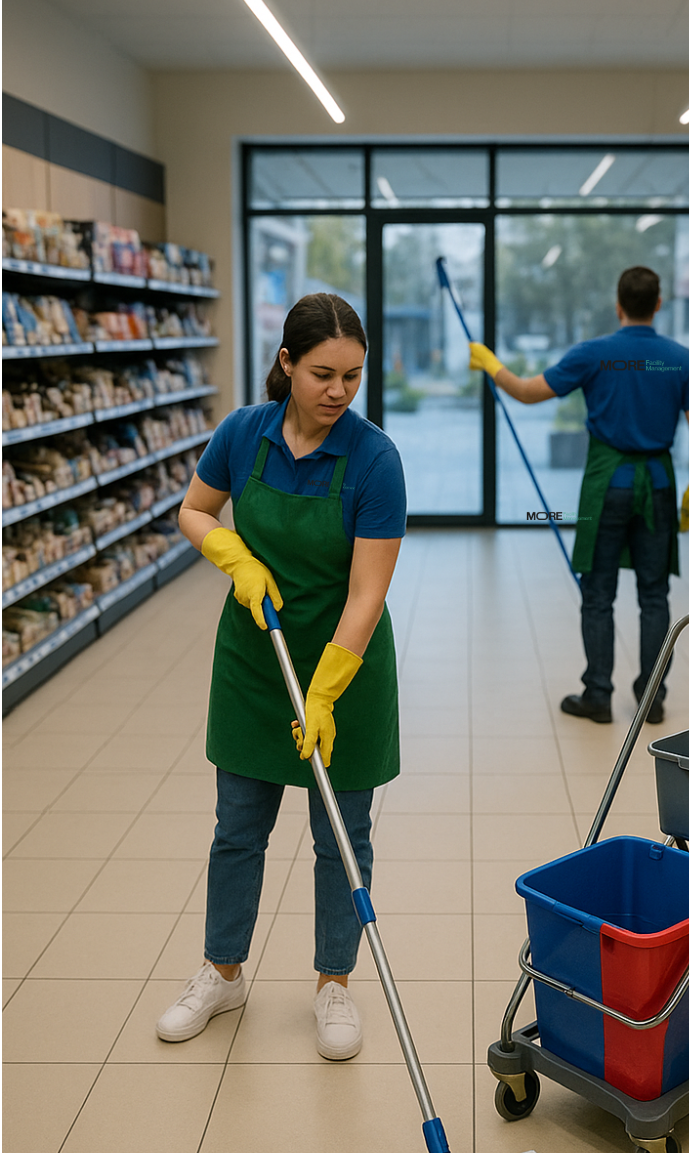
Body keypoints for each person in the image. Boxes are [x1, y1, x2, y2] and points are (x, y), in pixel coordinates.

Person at [156, 293, 406, 1060]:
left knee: (341, 835)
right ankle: (222, 971)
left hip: (343, 663)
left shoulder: (374, 458)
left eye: (354, 377)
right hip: (255, 662)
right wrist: (232, 554)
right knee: (238, 829)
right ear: (287, 363)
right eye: (324, 374)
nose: (339, 392)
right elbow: (193, 511)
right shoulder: (243, 434)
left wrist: (328, 687)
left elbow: (368, 592)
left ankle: (335, 982)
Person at [469, 265, 689, 725]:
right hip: (658, 485)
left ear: (618, 305)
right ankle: (652, 696)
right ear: (659, 304)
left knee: (598, 593)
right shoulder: (679, 358)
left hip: (606, 487)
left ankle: (598, 694)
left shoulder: (595, 354)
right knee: (654, 595)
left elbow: (525, 392)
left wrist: (491, 364)